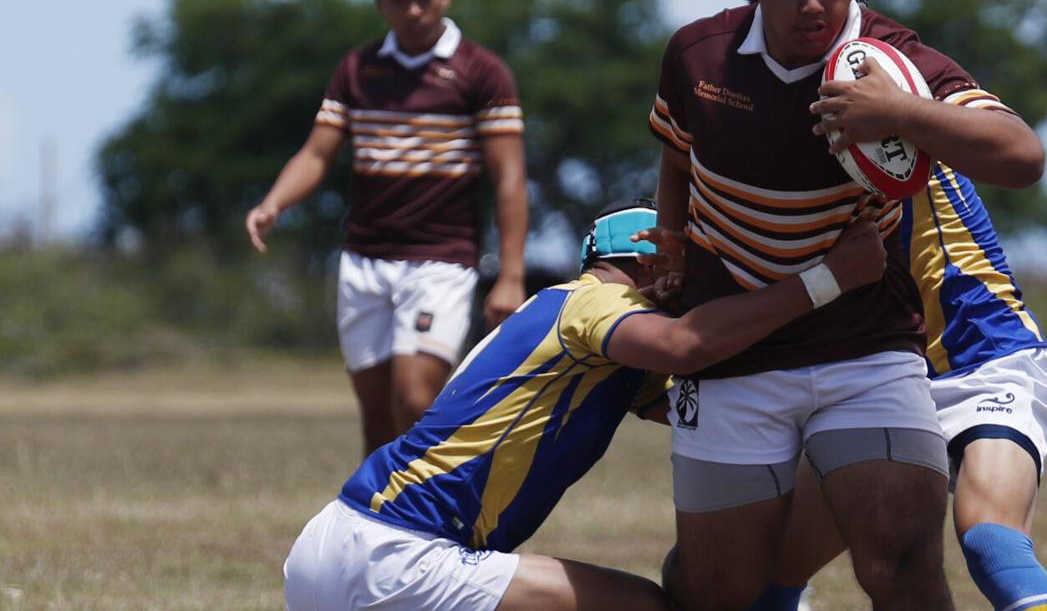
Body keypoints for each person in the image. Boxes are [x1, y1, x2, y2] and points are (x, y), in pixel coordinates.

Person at [282, 198, 890, 611]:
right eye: (694, 267)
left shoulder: (575, 330)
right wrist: (828, 278)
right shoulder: (593, 307)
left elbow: (706, 404)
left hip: (337, 539)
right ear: (651, 262)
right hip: (402, 552)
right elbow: (685, 346)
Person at [646, 0, 1045, 608]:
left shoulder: (892, 60)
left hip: (865, 348)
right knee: (715, 588)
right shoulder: (698, 54)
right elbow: (677, 154)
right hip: (733, 354)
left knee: (903, 561)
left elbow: (1022, 156)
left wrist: (897, 112)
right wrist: (671, 243)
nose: (813, 4)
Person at [245, 0, 529, 457]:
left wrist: (511, 274)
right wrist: (273, 203)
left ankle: (429, 514)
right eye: (400, 0)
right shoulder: (359, 69)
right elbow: (317, 154)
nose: (414, 10)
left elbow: (510, 178)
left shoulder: (481, 71)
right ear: (380, 3)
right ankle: (377, 524)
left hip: (441, 260)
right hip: (365, 260)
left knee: (415, 398)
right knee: (376, 419)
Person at [771, 167, 1047, 611]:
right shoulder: (778, 152)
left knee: (991, 539)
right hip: (878, 376)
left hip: (982, 357)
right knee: (768, 572)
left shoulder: (905, 109)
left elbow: (1019, 155)